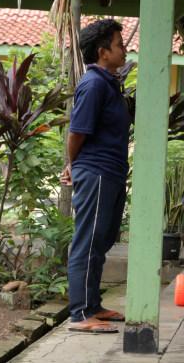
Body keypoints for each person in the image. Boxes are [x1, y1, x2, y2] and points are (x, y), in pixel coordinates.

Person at [60, 19, 130, 333]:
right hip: (98, 170)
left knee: (100, 242)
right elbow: (76, 133)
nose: (124, 49)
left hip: (111, 172)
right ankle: (79, 315)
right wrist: (73, 165)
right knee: (87, 243)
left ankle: (93, 306)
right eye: (119, 44)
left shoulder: (110, 82)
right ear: (103, 52)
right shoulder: (93, 84)